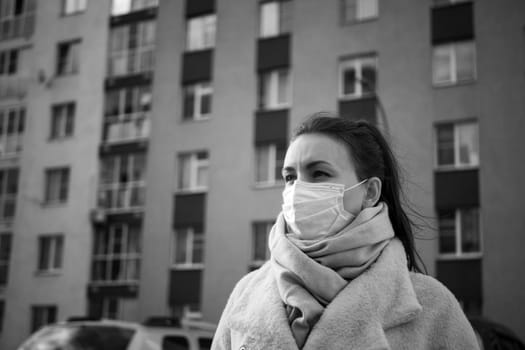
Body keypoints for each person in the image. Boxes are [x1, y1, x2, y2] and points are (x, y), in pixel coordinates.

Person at [211, 112, 480, 350]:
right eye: (290, 177)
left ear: (370, 192)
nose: (297, 190)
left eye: (318, 173)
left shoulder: (433, 306)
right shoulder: (246, 293)